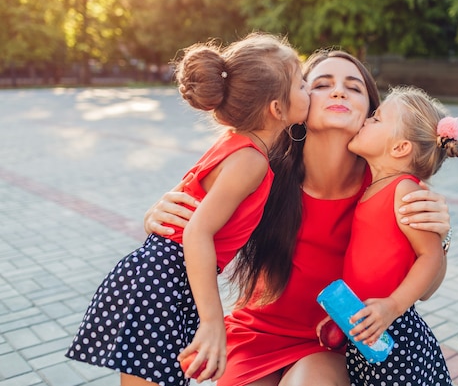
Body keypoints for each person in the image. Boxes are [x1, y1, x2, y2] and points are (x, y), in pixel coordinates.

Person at [144, 50, 452, 386]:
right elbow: (191, 216)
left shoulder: (391, 189)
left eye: (354, 87)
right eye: (321, 84)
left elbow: (425, 290)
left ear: (370, 114)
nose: (338, 92)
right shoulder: (258, 166)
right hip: (255, 334)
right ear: (296, 104)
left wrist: (441, 237)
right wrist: (157, 216)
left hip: (332, 342)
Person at [65, 32, 310, 386]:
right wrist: (213, 321)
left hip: (165, 275)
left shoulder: (236, 143)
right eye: (302, 83)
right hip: (166, 279)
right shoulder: (250, 160)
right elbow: (197, 231)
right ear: (277, 108)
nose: (309, 90)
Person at [331, 86, 458, 385]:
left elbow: (429, 256)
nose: (365, 120)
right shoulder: (373, 188)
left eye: (376, 119)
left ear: (400, 148)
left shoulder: (404, 190)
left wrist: (393, 306)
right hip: (369, 323)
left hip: (397, 331)